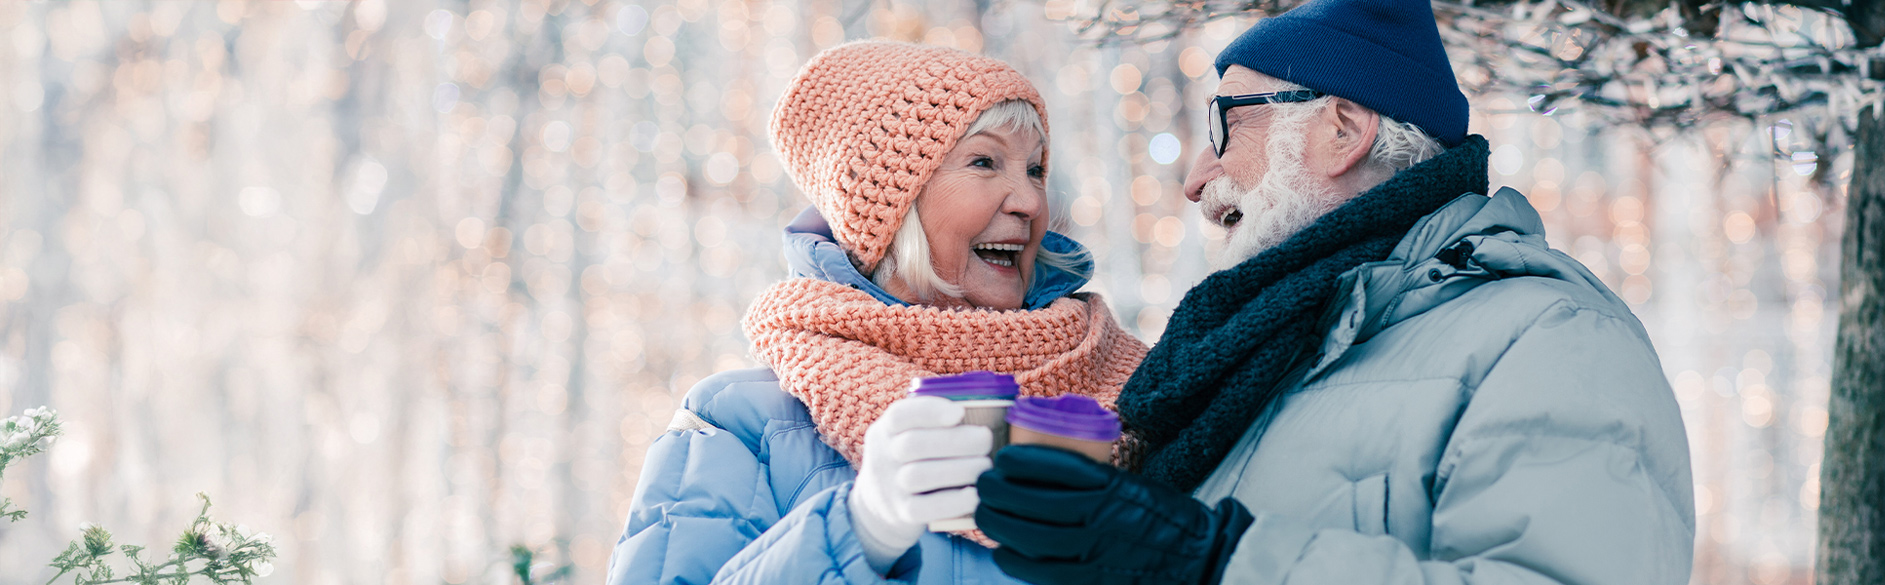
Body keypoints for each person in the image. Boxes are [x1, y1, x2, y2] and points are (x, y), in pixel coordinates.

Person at [974, 1, 1696, 584]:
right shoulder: (1270, 341)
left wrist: (1210, 560)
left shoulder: (1552, 338)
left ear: (1342, 129)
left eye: (1225, 125)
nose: (1195, 176)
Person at [605, 41, 1148, 585]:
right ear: (892, 210)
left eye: (1034, 169)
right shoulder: (739, 422)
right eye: (984, 161)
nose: (1029, 201)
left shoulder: (1138, 390)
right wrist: (862, 528)